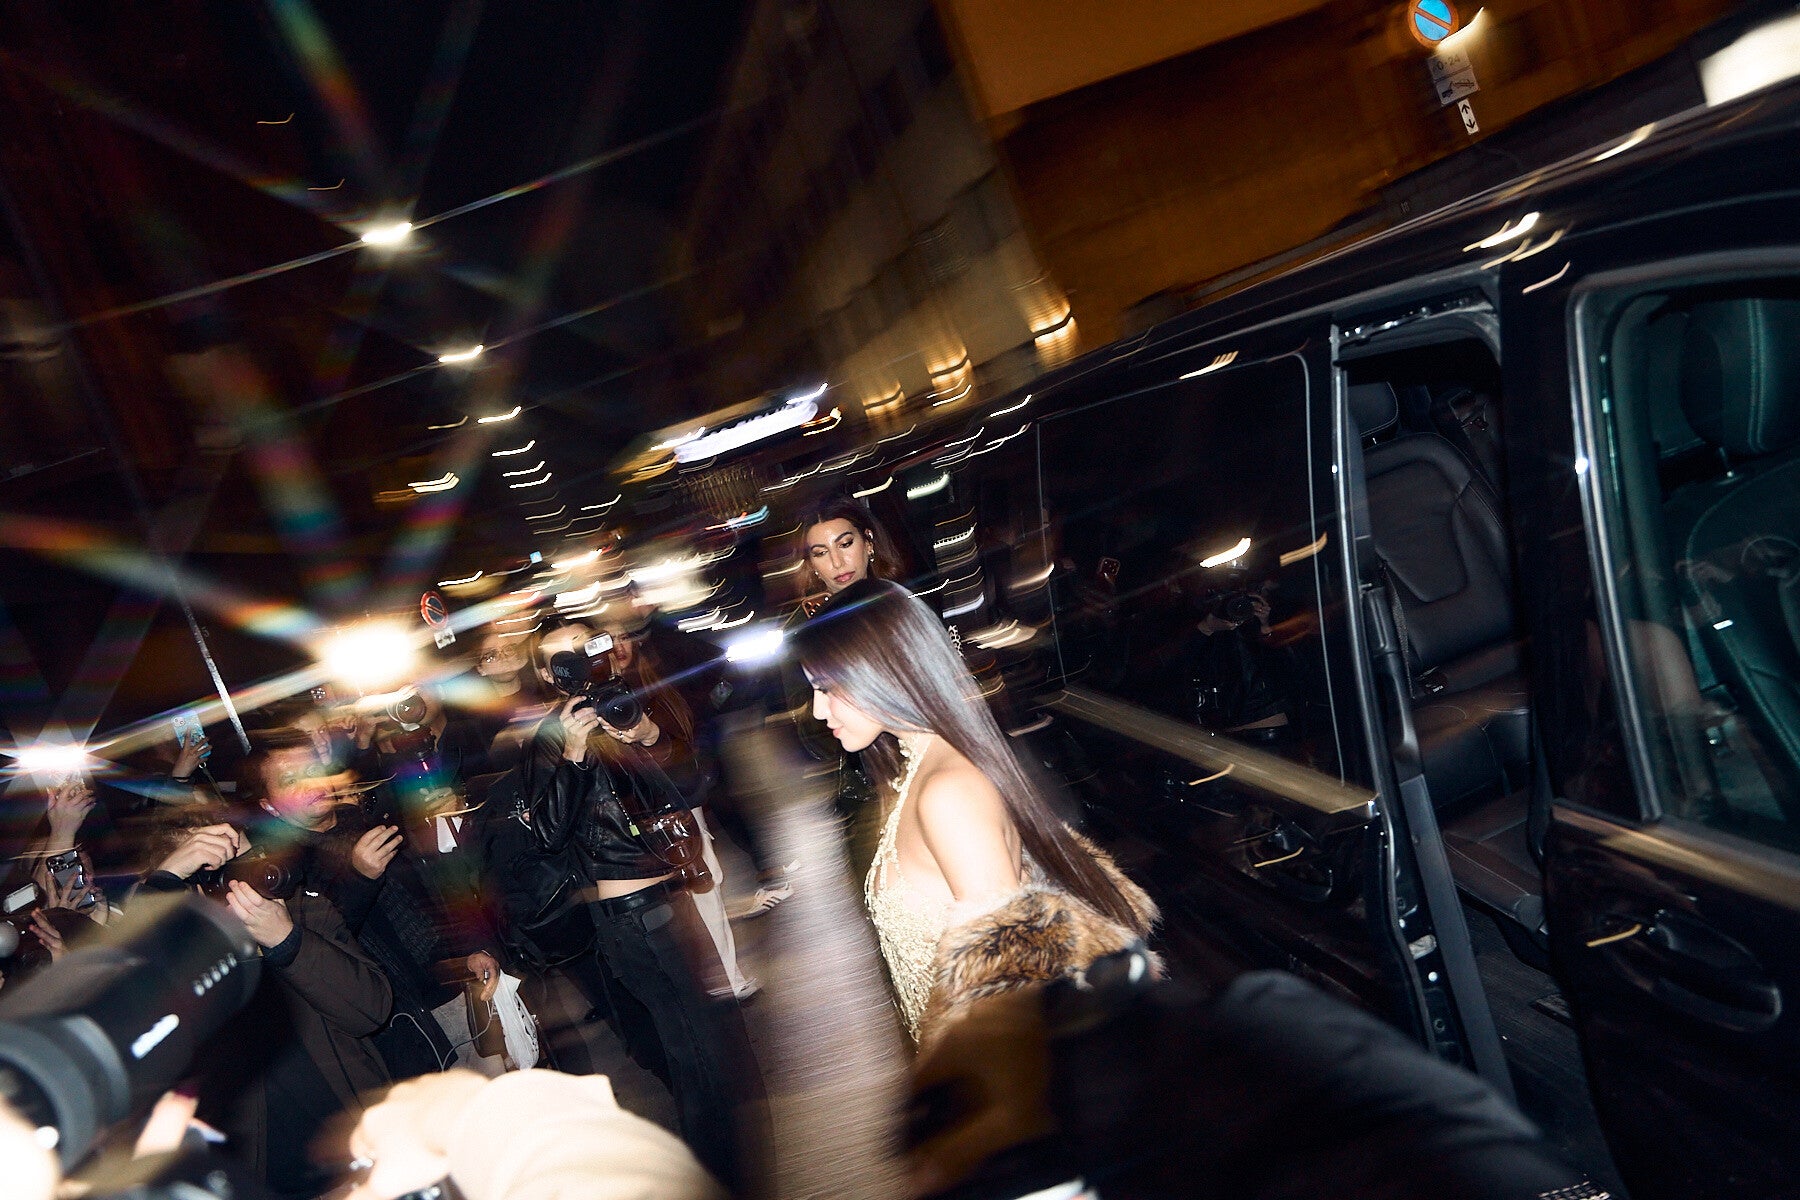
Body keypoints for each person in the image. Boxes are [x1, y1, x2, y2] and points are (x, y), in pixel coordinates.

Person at [791, 578, 1158, 1048]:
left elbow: (1016, 990)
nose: (818, 711)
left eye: (826, 688)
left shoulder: (949, 793)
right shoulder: (915, 770)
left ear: (879, 671)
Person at [482, 618, 761, 1189]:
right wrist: (574, 753)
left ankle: (715, 1177)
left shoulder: (626, 706)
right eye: (559, 658)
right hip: (632, 919)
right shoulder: (548, 738)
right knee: (698, 1059)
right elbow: (547, 835)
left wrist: (650, 737)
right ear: (545, 674)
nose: (575, 663)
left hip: (668, 899)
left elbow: (693, 789)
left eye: (583, 649)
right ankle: (713, 1181)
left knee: (709, 1054)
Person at [134, 806, 392, 1199]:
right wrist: (164, 878)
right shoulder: (179, 962)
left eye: (242, 856)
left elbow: (372, 1010)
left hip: (366, 1149)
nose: (240, 876)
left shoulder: (304, 912)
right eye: (214, 867)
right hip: (268, 1181)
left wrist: (288, 941)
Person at [240, 724, 505, 1080]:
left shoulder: (369, 819)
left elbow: (439, 888)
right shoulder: (282, 872)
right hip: (397, 1027)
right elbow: (319, 951)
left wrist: (474, 946)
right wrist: (360, 878)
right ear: (269, 806)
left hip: (456, 991)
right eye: (290, 781)